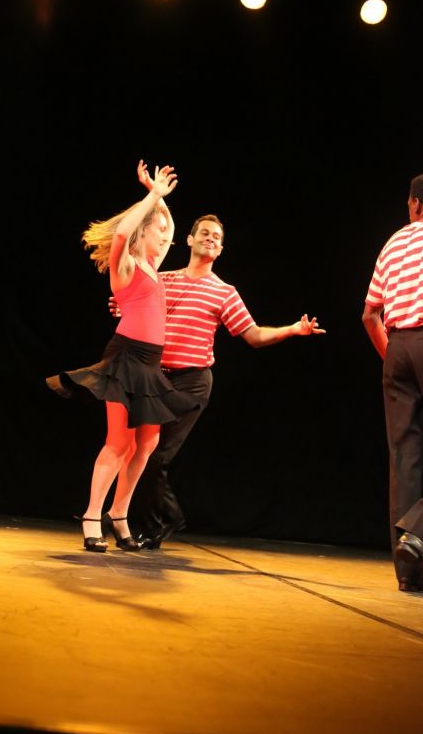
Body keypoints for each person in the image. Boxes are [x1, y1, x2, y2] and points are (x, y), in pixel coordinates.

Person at [110, 163, 325, 549]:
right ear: (189, 240)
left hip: (191, 381)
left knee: (154, 455)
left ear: (221, 249)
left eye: (217, 238)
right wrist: (121, 303)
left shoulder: (224, 292)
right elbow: (139, 304)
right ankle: (147, 521)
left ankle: (163, 521)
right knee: (136, 451)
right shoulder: (165, 278)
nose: (210, 240)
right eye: (204, 234)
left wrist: (294, 329)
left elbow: (254, 335)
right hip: (155, 376)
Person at [46, 162, 198, 553]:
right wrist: (151, 197)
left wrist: (160, 203)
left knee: (145, 444)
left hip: (150, 365)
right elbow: (124, 231)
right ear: (142, 233)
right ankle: (92, 516)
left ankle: (120, 514)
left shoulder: (152, 264)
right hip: (126, 360)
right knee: (118, 442)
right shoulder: (126, 266)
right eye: (157, 230)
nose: (165, 237)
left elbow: (170, 232)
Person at [362, 173, 423, 592]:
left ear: (415, 204)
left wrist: (394, 358)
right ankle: (418, 535)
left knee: (404, 456)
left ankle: (409, 572)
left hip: (398, 344)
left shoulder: (393, 242)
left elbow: (369, 313)